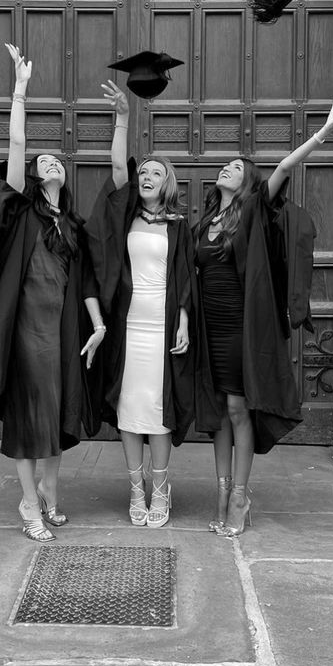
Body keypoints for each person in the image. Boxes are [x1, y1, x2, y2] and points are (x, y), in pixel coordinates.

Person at [0, 44, 105, 542]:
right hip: (26, 326)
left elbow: (82, 282)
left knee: (57, 413)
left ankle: (50, 497)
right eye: (43, 161)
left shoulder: (72, 224)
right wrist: (19, 91)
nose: (50, 161)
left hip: (63, 327)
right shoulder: (20, 212)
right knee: (30, 413)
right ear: (35, 178)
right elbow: (16, 148)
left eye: (56, 158)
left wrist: (98, 324)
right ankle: (29, 505)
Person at [195, 99, 333, 537]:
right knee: (217, 411)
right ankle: (220, 490)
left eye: (237, 166)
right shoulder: (205, 221)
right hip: (208, 325)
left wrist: (322, 134)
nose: (228, 168)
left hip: (241, 324)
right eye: (226, 165)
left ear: (249, 181)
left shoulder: (252, 211)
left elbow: (285, 167)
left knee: (237, 406)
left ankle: (239, 495)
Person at [85, 79, 197, 529]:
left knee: (159, 411)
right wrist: (123, 117)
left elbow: (186, 275)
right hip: (129, 326)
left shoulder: (178, 226)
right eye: (143, 172)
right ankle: (136, 488)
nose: (147, 177)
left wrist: (185, 320)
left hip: (164, 323)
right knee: (132, 410)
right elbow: (116, 163)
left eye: (155, 173)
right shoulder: (124, 217)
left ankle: (162, 488)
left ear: (166, 183)